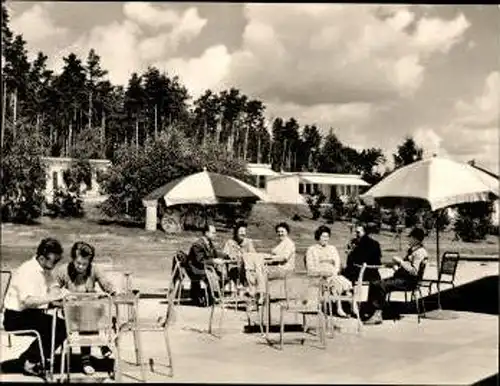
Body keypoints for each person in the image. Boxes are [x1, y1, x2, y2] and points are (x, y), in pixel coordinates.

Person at [3, 238, 69, 377]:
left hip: (30, 314)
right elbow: (28, 301)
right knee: (59, 328)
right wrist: (53, 298)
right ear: (42, 257)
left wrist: (61, 294)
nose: (55, 264)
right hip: (15, 317)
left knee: (61, 325)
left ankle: (29, 359)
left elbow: (54, 286)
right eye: (54, 261)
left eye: (57, 261)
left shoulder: (43, 268)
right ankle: (30, 362)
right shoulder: (27, 270)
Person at [52, 241, 116, 375]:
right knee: (85, 316)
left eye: (84, 264)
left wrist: (113, 292)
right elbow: (53, 289)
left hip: (92, 309)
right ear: (73, 259)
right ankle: (97, 349)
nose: (80, 267)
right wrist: (64, 294)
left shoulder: (95, 269)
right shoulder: (63, 270)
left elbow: (106, 284)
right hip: (72, 311)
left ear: (90, 263)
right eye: (78, 263)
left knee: (89, 312)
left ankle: (90, 355)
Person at [364, 227, 428, 325]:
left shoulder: (419, 252)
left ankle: (378, 314)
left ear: (416, 239)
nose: (408, 239)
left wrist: (401, 262)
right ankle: (371, 310)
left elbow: (414, 271)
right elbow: (407, 267)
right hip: (402, 279)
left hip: (409, 282)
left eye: (410, 237)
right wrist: (396, 267)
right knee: (374, 283)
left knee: (382, 285)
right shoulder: (413, 250)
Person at [305, 225, 352, 317]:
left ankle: (340, 307)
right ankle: (341, 306)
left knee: (335, 280)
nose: (325, 239)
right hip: (318, 276)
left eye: (327, 237)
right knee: (337, 282)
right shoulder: (312, 249)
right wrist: (322, 272)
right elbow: (310, 267)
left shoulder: (332, 248)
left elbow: (337, 263)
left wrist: (333, 271)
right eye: (323, 236)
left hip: (332, 275)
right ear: (318, 237)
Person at [185, 223, 222, 306]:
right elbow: (199, 260)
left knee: (222, 275)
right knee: (212, 275)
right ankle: (205, 297)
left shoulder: (209, 243)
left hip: (203, 267)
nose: (215, 235)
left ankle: (210, 296)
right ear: (206, 233)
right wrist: (214, 261)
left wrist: (227, 256)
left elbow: (215, 254)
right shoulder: (198, 245)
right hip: (195, 268)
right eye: (213, 233)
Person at [222, 221, 256, 291]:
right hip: (233, 269)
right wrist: (230, 256)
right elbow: (225, 254)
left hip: (246, 269)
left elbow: (254, 254)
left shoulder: (248, 242)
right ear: (236, 232)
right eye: (240, 231)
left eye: (244, 231)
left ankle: (248, 288)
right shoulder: (230, 242)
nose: (243, 233)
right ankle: (234, 285)